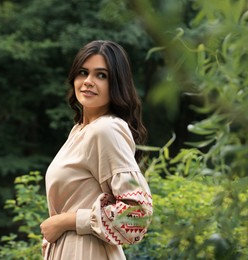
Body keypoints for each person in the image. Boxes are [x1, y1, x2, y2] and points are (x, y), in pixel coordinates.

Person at [40, 40, 153, 260]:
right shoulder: (80, 131)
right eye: (83, 73)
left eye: (101, 75)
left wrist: (67, 221)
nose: (88, 82)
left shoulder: (106, 129)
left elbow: (137, 216)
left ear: (116, 84)